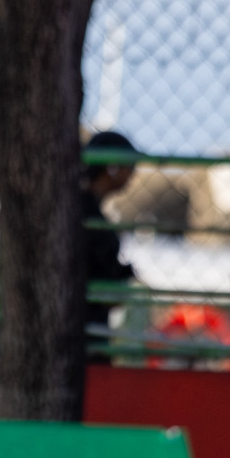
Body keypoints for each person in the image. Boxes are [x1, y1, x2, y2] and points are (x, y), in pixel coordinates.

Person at [81, 130, 138, 361]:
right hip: (86, 326)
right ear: (112, 167)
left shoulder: (80, 209)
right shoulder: (88, 214)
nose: (132, 175)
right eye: (129, 167)